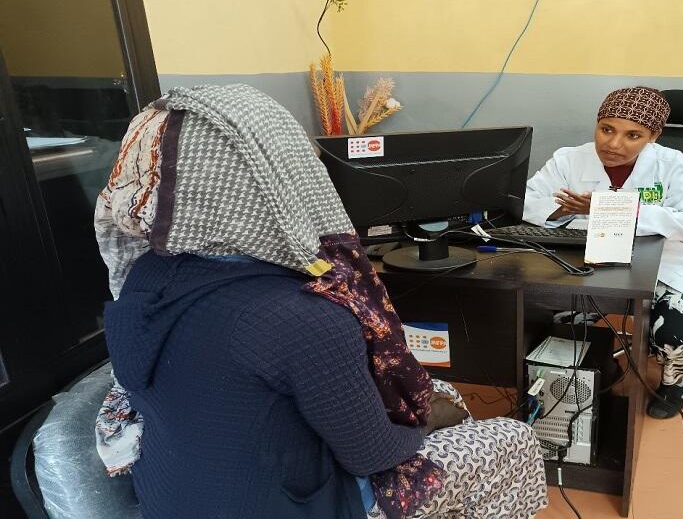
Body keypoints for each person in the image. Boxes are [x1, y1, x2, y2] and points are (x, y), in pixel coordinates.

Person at [93, 84, 548, 518]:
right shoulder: (302, 316)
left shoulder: (147, 273)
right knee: (510, 439)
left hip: (178, 496)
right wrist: (424, 425)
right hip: (291, 506)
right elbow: (371, 454)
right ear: (282, 177)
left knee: (438, 393)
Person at [523, 86, 683, 419]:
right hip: (591, 261)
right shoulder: (569, 159)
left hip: (671, 265)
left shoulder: (679, 166)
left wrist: (617, 208)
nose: (613, 144)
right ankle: (598, 366)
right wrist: (567, 210)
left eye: (633, 135)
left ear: (653, 136)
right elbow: (527, 202)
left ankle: (673, 381)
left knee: (668, 331)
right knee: (557, 319)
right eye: (606, 129)